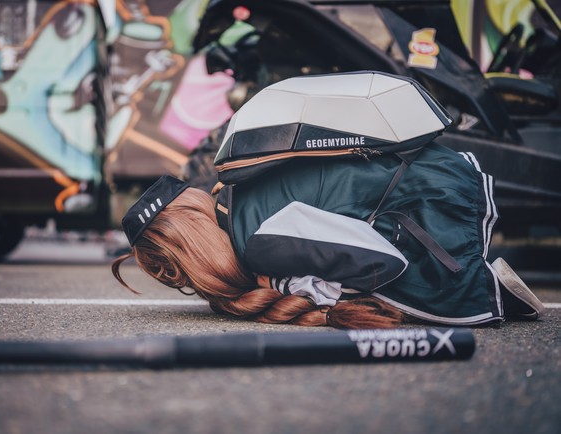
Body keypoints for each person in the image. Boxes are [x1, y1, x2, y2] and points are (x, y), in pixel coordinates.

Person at [112, 73, 544, 329]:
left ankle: (485, 285)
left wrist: (306, 290)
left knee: (377, 287)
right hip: (427, 173)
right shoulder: (236, 194)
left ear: (186, 256)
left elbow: (381, 262)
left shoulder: (257, 241)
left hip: (437, 200)